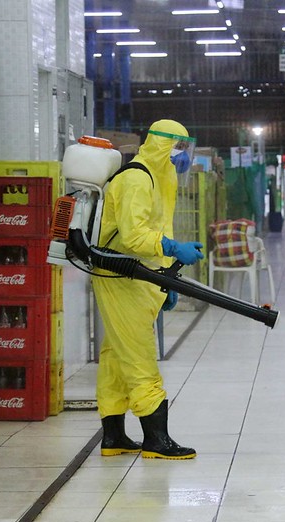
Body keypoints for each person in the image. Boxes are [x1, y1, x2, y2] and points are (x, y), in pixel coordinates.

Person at [92, 119, 204, 460]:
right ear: (161, 144)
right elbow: (133, 236)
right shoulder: (136, 179)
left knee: (116, 353)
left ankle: (113, 437)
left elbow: (155, 228)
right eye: (179, 147)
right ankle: (156, 439)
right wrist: (172, 248)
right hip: (120, 274)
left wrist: (165, 279)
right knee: (139, 352)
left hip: (139, 275)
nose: (183, 156)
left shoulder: (160, 177)